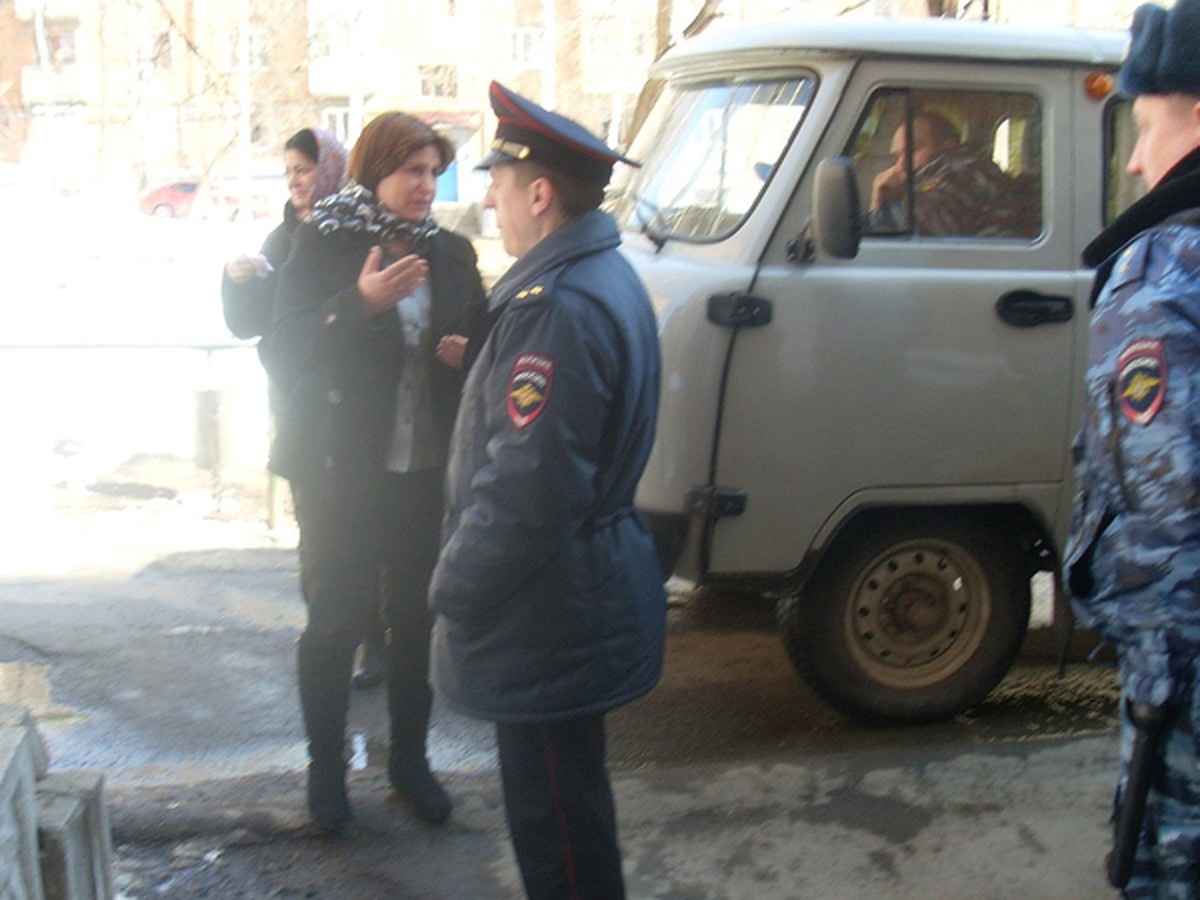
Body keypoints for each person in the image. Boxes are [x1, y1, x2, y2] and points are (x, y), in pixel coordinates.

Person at [428, 81, 666, 898]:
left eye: (498, 183)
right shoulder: (595, 276)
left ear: (540, 193)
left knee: (558, 831)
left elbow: (529, 492)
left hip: (548, 612)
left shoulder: (556, 305)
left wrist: (453, 586)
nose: (489, 200)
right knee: (569, 813)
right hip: (568, 603)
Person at [265, 111, 486, 833]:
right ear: (374, 173)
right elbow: (282, 347)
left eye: (433, 171)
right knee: (334, 623)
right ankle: (326, 774)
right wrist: (357, 304)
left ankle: (410, 764)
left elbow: (484, 341)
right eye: (411, 171)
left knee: (415, 620)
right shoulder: (323, 243)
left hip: (422, 470)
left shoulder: (452, 254)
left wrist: (465, 356)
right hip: (340, 470)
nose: (425, 185)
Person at [1063, 1, 1200, 894]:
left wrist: (1152, 669)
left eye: (1147, 127)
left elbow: (1169, 517)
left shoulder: (1164, 269)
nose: (1139, 160)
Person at [220, 130, 387, 690]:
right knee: (318, 542)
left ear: (335, 170)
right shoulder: (282, 239)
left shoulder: (360, 235)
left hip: (360, 415)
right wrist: (238, 282)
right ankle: (331, 646)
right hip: (300, 415)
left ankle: (373, 644)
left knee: (368, 536)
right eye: (290, 171)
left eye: (307, 169)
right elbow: (251, 326)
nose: (297, 181)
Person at [866, 111, 1012, 237]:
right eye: (897, 156)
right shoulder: (965, 170)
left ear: (948, 147)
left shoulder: (960, 175)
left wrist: (878, 200)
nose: (901, 166)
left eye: (912, 150)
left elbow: (896, 246)